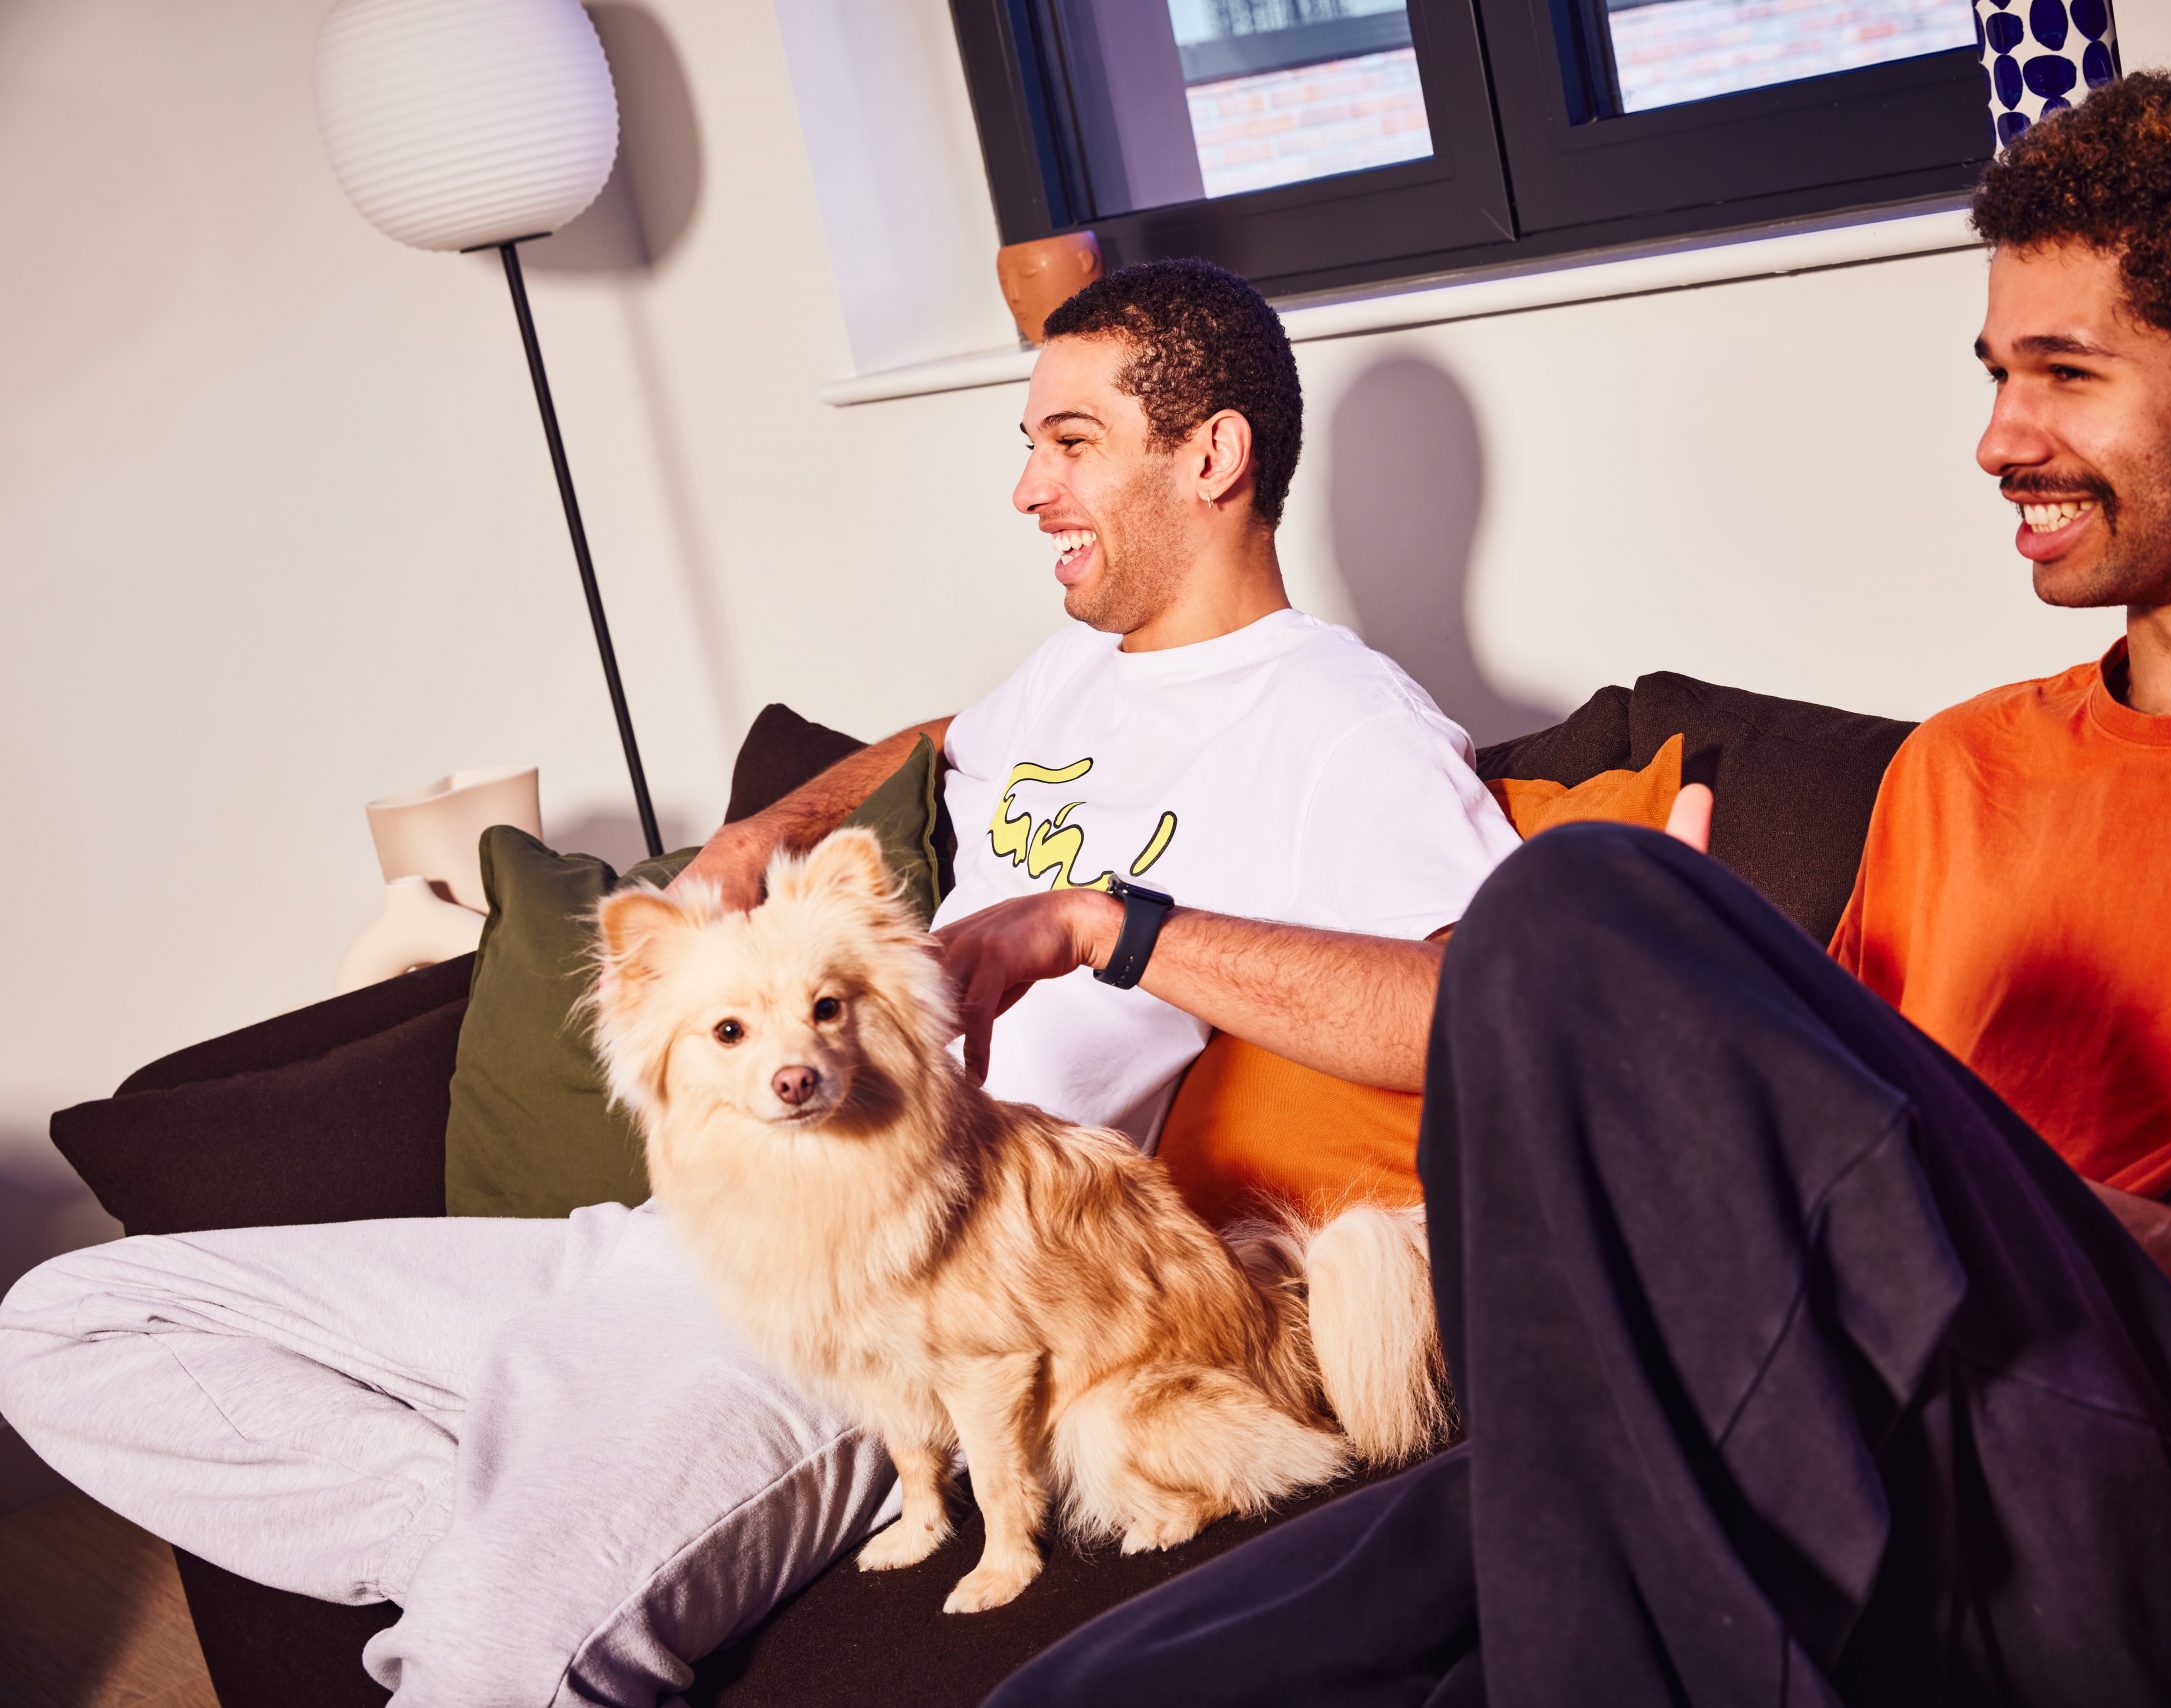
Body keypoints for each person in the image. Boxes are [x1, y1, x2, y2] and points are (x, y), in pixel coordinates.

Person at [972, 67, 2171, 1707]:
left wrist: (2117, 1229)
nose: (1999, 440)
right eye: (1998, 374)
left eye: (2065, 375)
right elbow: (1830, 1198)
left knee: (1573, 904)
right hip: (1863, 1424)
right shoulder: (1963, 770)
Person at [0, 259, 1518, 1706]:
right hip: (666, 1241)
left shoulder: (1338, 721)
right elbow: (934, 740)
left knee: (494, 1663)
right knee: (66, 1323)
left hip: (887, 1296)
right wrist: (759, 834)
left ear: (1215, 454)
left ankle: (517, 1561)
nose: (1027, 488)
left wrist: (1093, 925)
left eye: (1072, 440)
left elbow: (1474, 1013)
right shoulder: (1075, 672)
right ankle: (483, 1522)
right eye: (1029, 442)